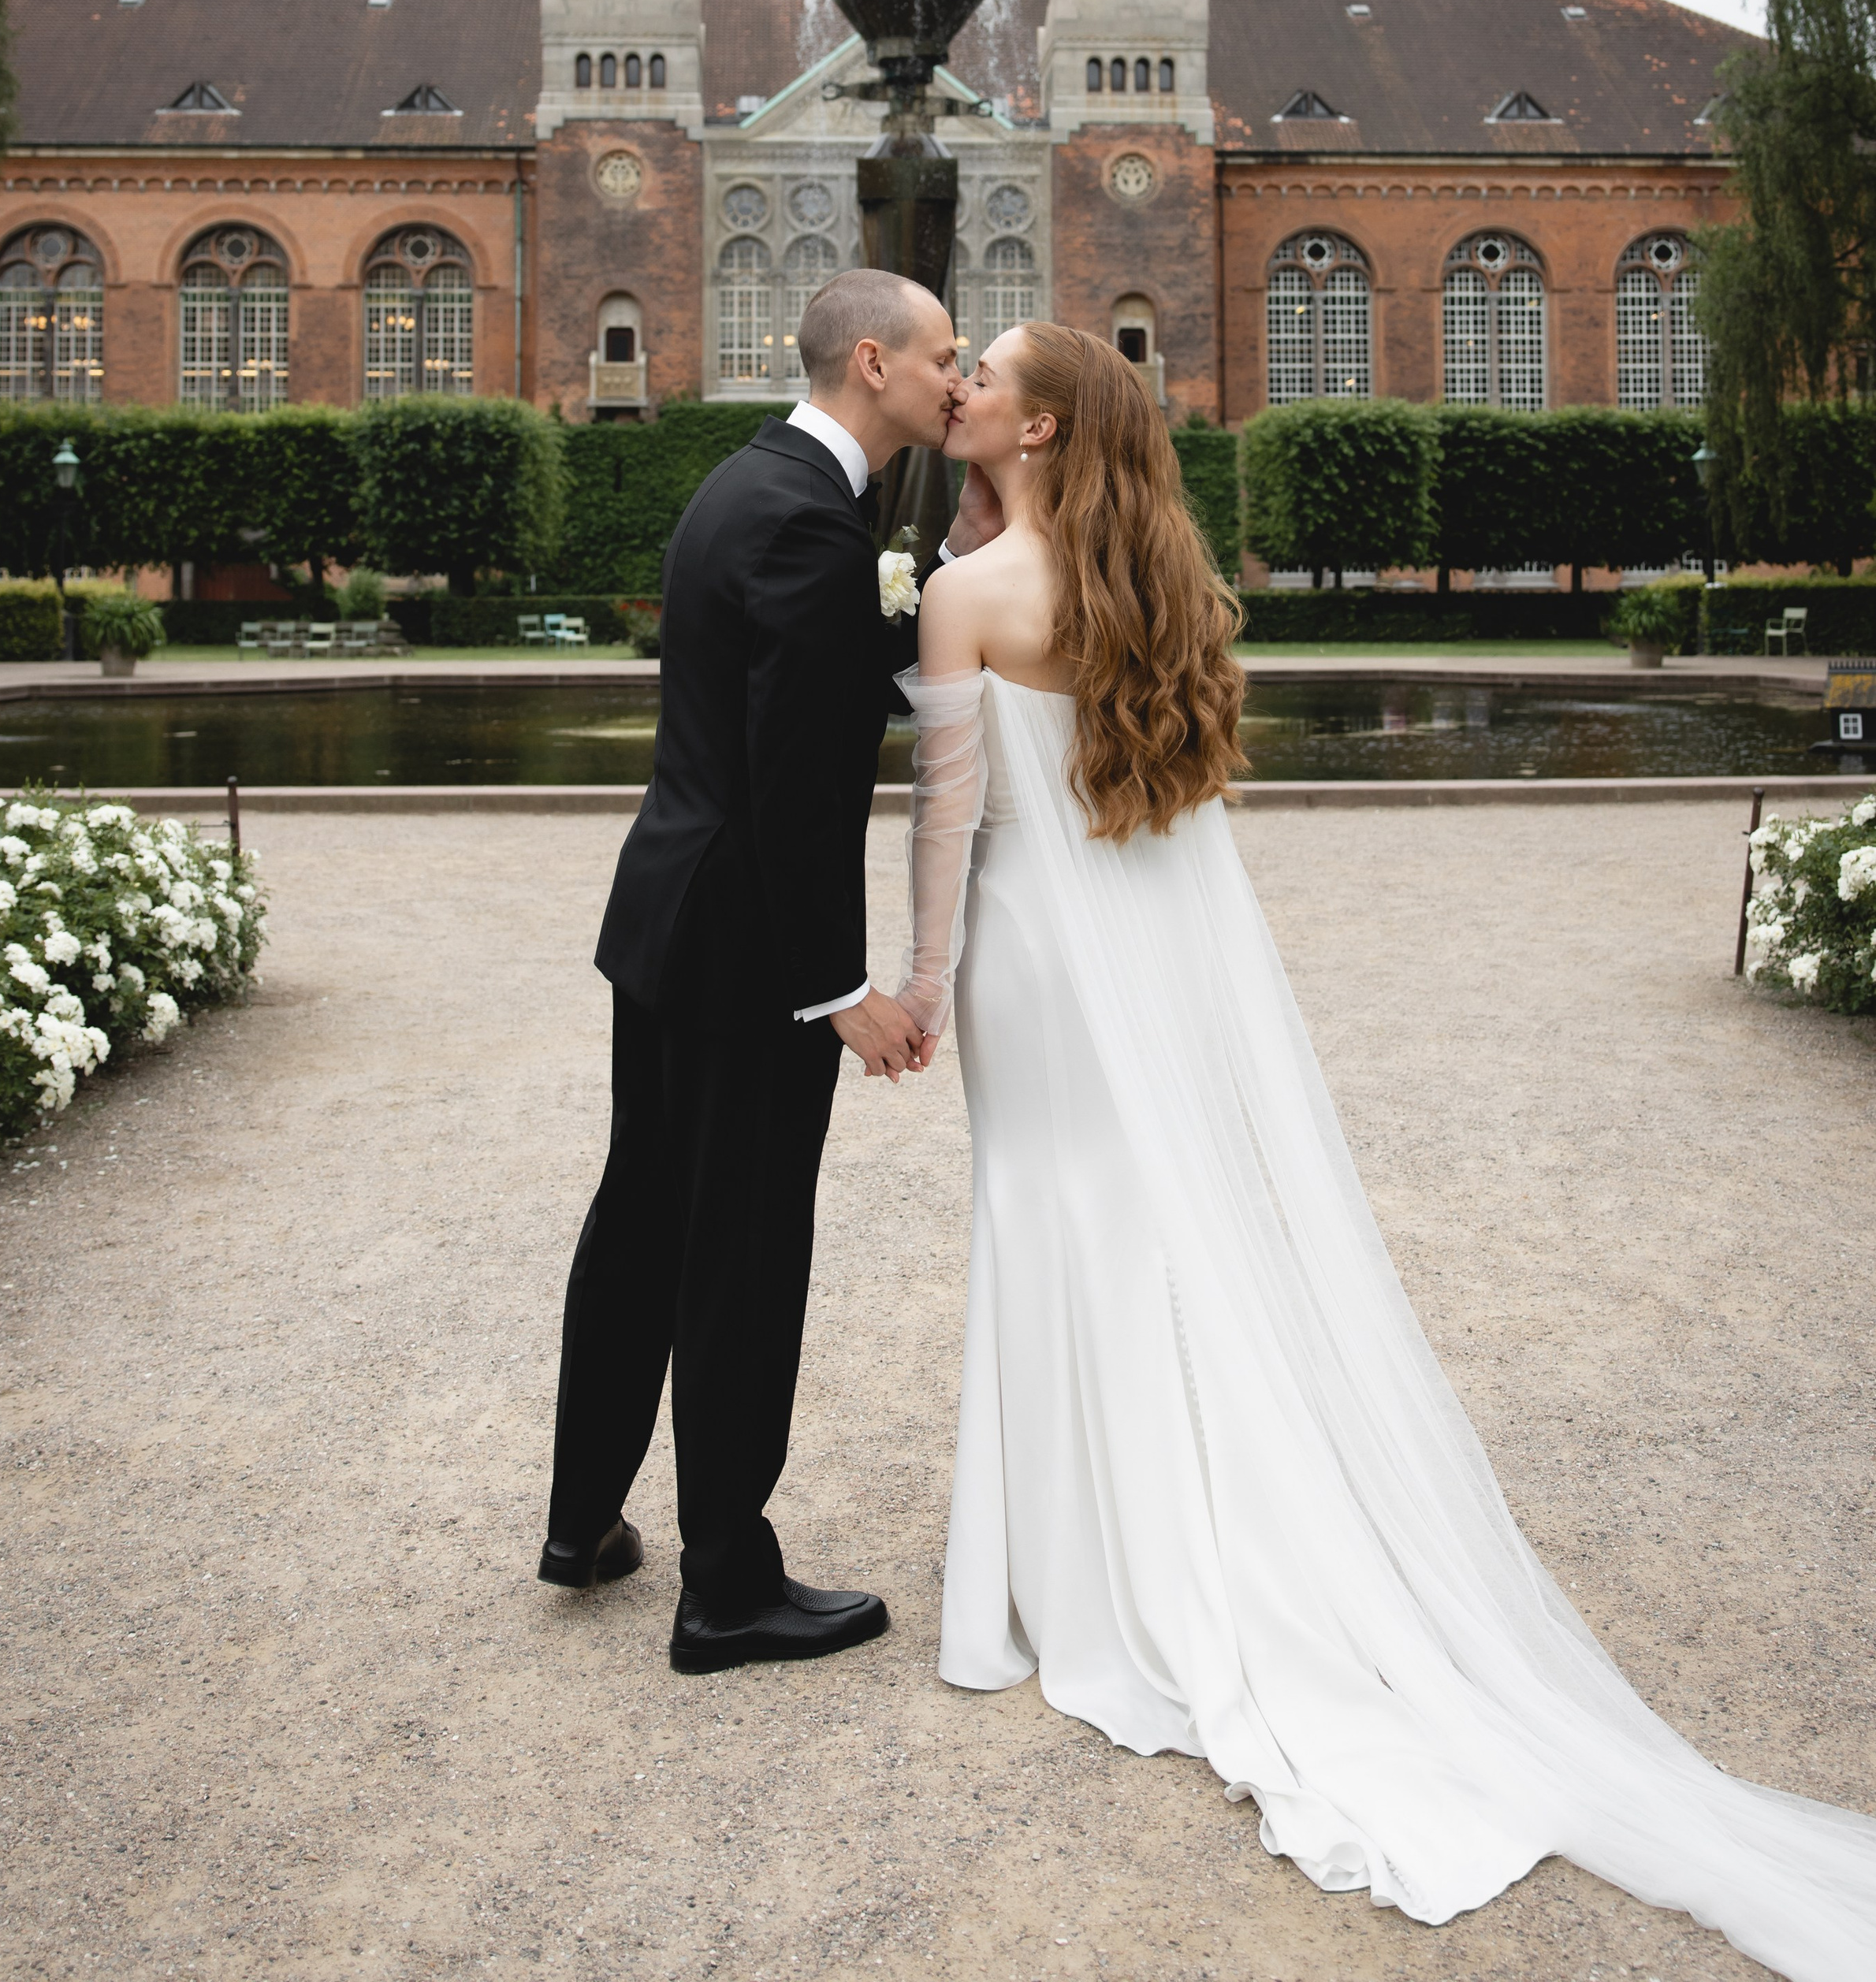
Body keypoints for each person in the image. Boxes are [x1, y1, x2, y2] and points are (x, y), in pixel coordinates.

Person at [895, 319, 1876, 1980]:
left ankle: (1077, 1570)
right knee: (1157, 1222)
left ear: (1040, 425)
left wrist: (919, 980)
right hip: (1138, 944)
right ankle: (1171, 1521)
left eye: (981, 376)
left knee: (1050, 1216)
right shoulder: (1155, 585)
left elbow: (946, 817)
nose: (959, 391)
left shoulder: (961, 595)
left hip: (1036, 962)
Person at [541, 266, 999, 1675]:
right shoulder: (806, 523)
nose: (958, 376)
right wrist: (837, 991)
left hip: (671, 923)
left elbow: (793, 711)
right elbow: (796, 791)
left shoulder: (751, 486)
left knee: (644, 1221)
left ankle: (583, 1521)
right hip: (746, 953)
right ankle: (727, 1586)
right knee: (740, 1252)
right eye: (942, 355)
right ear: (874, 363)